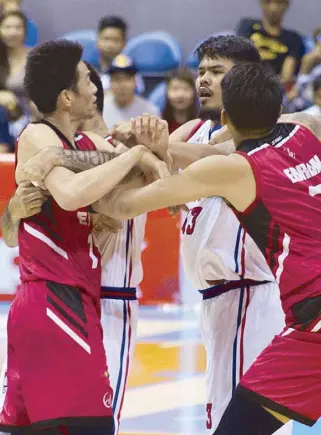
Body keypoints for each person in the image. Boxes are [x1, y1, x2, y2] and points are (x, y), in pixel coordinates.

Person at [97, 63, 321, 434]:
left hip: (311, 323)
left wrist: (134, 158)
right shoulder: (304, 131)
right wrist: (164, 149)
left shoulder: (236, 169)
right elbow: (214, 151)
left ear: (225, 116)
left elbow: (124, 206)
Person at [0, 39, 165, 434]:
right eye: (87, 82)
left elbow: (109, 169)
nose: (95, 89)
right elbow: (70, 195)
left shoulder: (79, 146)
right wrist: (136, 156)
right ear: (66, 97)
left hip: (67, 299)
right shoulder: (37, 135)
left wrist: (150, 154)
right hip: (58, 301)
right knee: (90, 426)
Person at [236, 0, 304, 87]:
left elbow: (286, 77)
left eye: (279, 3)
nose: (273, 8)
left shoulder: (294, 39)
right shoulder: (248, 26)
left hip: (272, 90)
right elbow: (240, 58)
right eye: (268, 2)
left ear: (286, 5)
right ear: (261, 3)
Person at [103, 54, 159, 128]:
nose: (122, 85)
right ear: (110, 82)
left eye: (127, 79)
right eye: (116, 79)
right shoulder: (100, 109)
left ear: (135, 82)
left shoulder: (150, 112)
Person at [162, 69, 199, 134]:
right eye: (175, 89)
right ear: (166, 92)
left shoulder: (202, 123)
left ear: (194, 93)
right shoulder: (160, 121)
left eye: (186, 89)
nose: (180, 95)